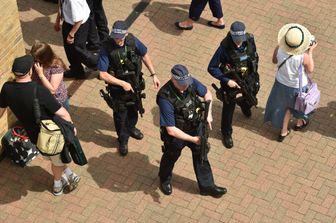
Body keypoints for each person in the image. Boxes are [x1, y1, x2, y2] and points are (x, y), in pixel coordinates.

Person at [0, 55, 80, 196]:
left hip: (33, 134)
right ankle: (57, 185)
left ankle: (68, 172)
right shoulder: (39, 91)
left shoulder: (6, 89)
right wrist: (71, 126)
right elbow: (62, 113)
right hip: (50, 133)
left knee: (54, 156)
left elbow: (0, 111)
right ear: (30, 72)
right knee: (56, 159)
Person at [157, 64, 227, 198]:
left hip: (195, 127)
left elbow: (207, 93)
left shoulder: (190, 82)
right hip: (177, 134)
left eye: (186, 83)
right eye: (182, 84)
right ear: (173, 80)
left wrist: (209, 114)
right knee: (170, 156)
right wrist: (194, 140)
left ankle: (207, 187)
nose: (185, 87)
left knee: (201, 155)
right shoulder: (165, 97)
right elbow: (171, 130)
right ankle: (164, 179)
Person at [98, 20, 160, 156]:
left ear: (126, 34)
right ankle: (122, 139)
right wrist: (122, 84)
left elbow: (144, 54)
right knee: (120, 115)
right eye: (115, 37)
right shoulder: (106, 47)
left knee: (134, 111)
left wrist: (153, 74)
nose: (118, 40)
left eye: (120, 37)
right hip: (118, 90)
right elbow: (102, 74)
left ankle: (130, 128)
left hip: (135, 85)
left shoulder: (132, 41)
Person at [208, 21, 259, 149]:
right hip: (231, 83)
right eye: (236, 39)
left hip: (248, 78)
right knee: (228, 109)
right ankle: (226, 133)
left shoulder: (250, 40)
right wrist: (226, 80)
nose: (238, 42)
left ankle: (245, 105)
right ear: (231, 35)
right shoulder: (224, 48)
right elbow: (212, 67)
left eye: (240, 39)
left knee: (250, 96)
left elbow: (254, 57)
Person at [264, 23, 318, 142]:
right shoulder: (303, 56)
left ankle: (283, 131)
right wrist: (310, 52)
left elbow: (274, 61)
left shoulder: (279, 49)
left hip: (280, 83)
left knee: (285, 107)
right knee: (299, 104)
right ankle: (299, 123)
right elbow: (310, 70)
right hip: (297, 86)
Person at [54, 0, 98, 78]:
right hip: (69, 21)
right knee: (69, 49)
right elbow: (61, 4)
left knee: (78, 49)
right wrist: (58, 20)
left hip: (79, 25)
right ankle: (77, 71)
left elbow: (79, 20)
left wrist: (71, 34)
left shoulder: (73, 1)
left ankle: (98, 63)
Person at [30, 41, 70, 110]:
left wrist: (41, 74)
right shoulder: (36, 61)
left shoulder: (56, 66)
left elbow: (52, 90)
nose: (35, 61)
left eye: (37, 59)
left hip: (57, 101)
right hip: (42, 98)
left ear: (45, 57)